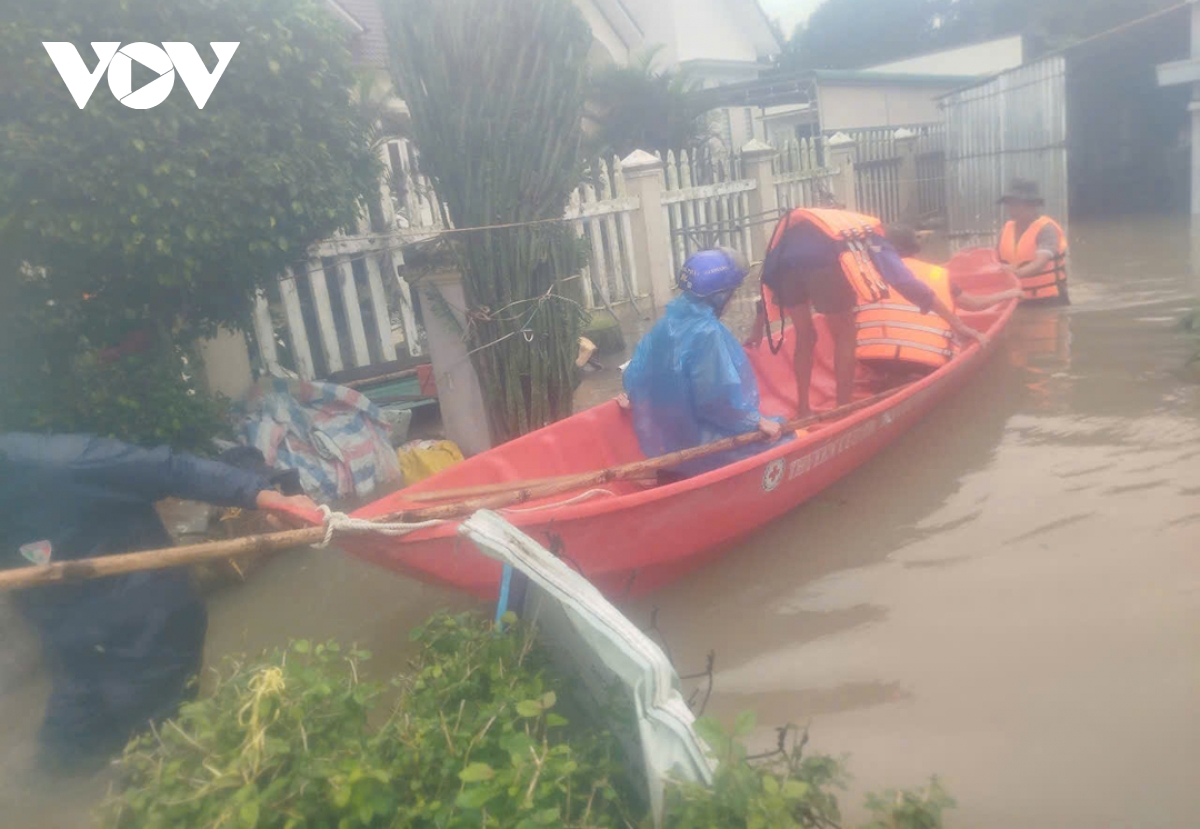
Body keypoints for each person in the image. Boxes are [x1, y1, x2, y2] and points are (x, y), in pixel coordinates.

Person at [0, 433, 320, 770]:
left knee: (156, 765)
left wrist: (267, 497)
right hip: (73, 651)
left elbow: (172, 470)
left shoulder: (63, 464)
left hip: (148, 634)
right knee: (57, 764)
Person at [758, 209, 985, 418]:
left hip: (781, 265)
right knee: (845, 334)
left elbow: (770, 278)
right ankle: (843, 410)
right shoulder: (873, 240)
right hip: (821, 264)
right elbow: (905, 282)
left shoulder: (836, 226)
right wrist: (957, 324)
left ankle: (804, 411)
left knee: (805, 335)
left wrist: (757, 327)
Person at [618, 248, 782, 479]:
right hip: (702, 450)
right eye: (732, 294)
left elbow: (633, 376)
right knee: (784, 438)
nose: (732, 300)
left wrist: (636, 398)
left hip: (667, 446)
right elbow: (717, 401)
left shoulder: (666, 324)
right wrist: (757, 422)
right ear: (720, 296)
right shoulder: (707, 333)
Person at [885, 224, 1023, 312]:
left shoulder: (870, 274)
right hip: (929, 354)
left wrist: (954, 261)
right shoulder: (935, 277)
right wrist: (1009, 293)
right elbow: (974, 304)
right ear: (914, 248)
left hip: (875, 350)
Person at [996, 178, 1069, 304]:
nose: (1011, 209)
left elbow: (1040, 264)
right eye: (1009, 204)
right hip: (1015, 297)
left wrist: (1016, 274)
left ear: (1033, 205)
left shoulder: (1046, 229)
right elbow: (994, 260)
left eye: (1016, 205)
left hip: (1048, 301)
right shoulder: (1006, 229)